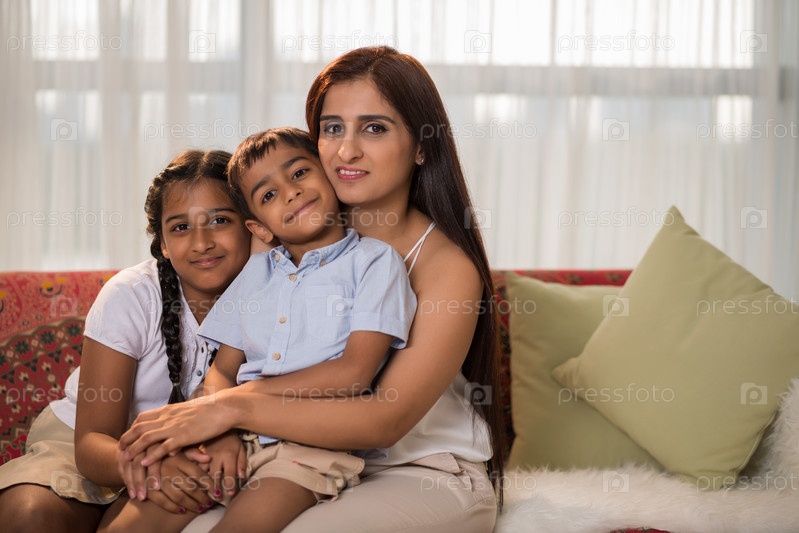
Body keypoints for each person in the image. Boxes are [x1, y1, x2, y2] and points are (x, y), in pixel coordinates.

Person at [118, 46, 505, 532]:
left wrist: (230, 408)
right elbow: (231, 359)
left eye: (375, 128)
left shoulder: (446, 266)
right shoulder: (289, 233)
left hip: (421, 469)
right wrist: (217, 429)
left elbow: (384, 420)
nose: (347, 151)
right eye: (333, 128)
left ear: (422, 146)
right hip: (284, 448)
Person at [99, 127, 416, 533]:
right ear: (260, 229)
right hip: (232, 432)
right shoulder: (256, 274)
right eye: (268, 195)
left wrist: (231, 407)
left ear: (331, 178)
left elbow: (353, 373)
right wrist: (220, 430)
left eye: (299, 173)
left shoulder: (374, 263)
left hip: (308, 446)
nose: (291, 192)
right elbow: (221, 371)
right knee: (131, 524)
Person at [0, 150, 252, 533]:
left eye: (219, 220)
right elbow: (91, 442)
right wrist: (153, 468)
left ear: (251, 224)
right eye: (180, 227)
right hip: (90, 445)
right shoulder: (131, 295)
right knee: (31, 514)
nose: (201, 243)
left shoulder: (274, 296)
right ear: (162, 243)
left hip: (185, 451)